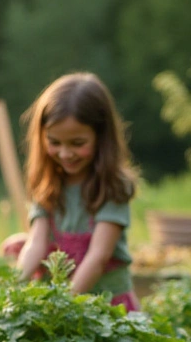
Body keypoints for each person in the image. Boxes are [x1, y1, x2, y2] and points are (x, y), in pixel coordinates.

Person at [16, 73, 141, 310]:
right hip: (59, 307)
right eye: (55, 142)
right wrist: (14, 290)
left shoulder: (113, 186)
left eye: (77, 143)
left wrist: (64, 306)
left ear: (101, 137)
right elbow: (36, 243)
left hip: (106, 307)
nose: (65, 153)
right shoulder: (46, 183)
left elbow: (98, 257)